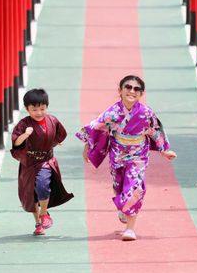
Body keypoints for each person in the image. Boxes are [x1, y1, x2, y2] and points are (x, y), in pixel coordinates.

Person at [76, 75, 177, 241]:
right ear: (120, 91)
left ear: (141, 93)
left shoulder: (146, 113)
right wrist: (87, 146)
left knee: (135, 187)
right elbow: (97, 128)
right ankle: (123, 206)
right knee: (119, 185)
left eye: (136, 89)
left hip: (138, 154)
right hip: (118, 153)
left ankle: (130, 229)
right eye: (128, 87)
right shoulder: (112, 112)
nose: (132, 91)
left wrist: (164, 150)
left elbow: (155, 131)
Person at [11, 88, 74, 235]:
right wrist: (25, 135)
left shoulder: (52, 120)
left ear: (47, 107)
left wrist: (53, 142)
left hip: (46, 160)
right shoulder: (23, 124)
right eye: (34, 109)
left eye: (42, 108)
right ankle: (38, 223)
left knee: (43, 185)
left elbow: (59, 134)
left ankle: (44, 213)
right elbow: (16, 142)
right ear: (27, 109)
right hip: (29, 162)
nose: (39, 113)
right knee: (32, 193)